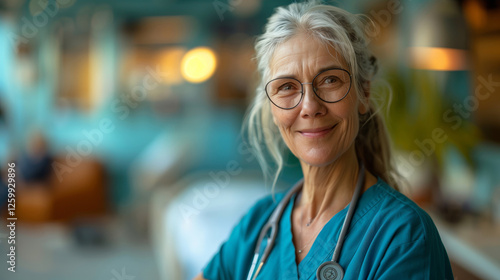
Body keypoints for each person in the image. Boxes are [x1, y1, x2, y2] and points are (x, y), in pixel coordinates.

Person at [195, 1, 453, 279]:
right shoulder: (259, 224)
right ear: (272, 107)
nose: (309, 106)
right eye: (286, 87)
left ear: (363, 94)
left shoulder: (403, 237)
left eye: (330, 80)